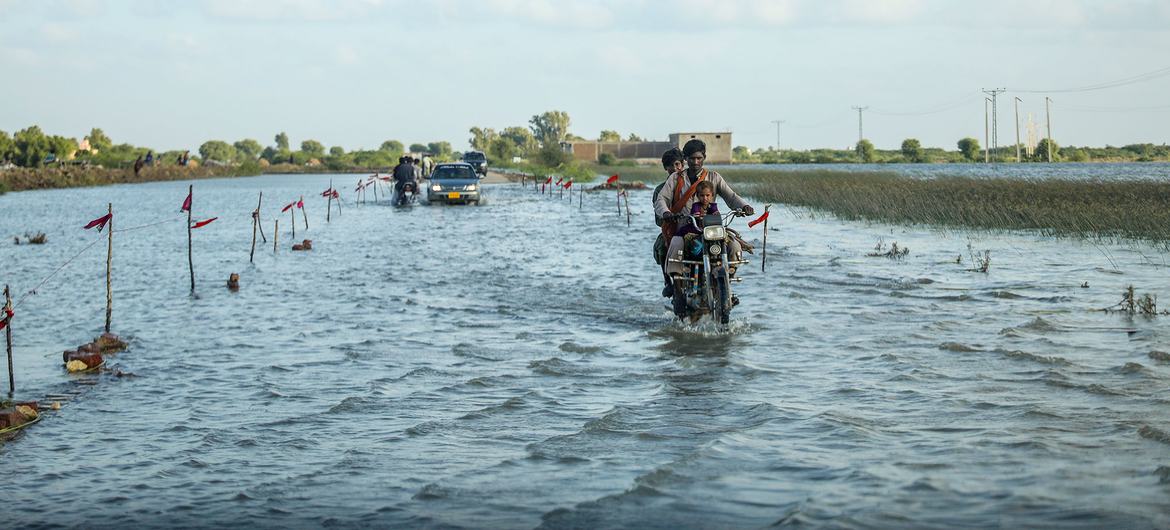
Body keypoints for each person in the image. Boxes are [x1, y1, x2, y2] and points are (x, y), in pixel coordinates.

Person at [654, 139, 754, 294]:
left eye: (699, 158)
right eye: (692, 158)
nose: (695, 162)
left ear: (704, 158)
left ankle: (727, 280)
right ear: (685, 159)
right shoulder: (675, 178)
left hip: (711, 228)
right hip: (686, 228)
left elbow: (731, 196)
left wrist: (744, 207)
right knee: (675, 245)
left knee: (734, 246)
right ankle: (678, 290)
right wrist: (666, 212)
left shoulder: (714, 177)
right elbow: (661, 199)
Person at [653, 148, 685, 296]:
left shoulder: (692, 184)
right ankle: (668, 282)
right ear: (665, 168)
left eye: (677, 164)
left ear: (683, 165)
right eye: (671, 166)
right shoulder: (660, 189)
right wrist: (668, 217)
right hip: (671, 229)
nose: (675, 169)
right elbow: (658, 219)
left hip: (693, 227)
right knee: (661, 247)